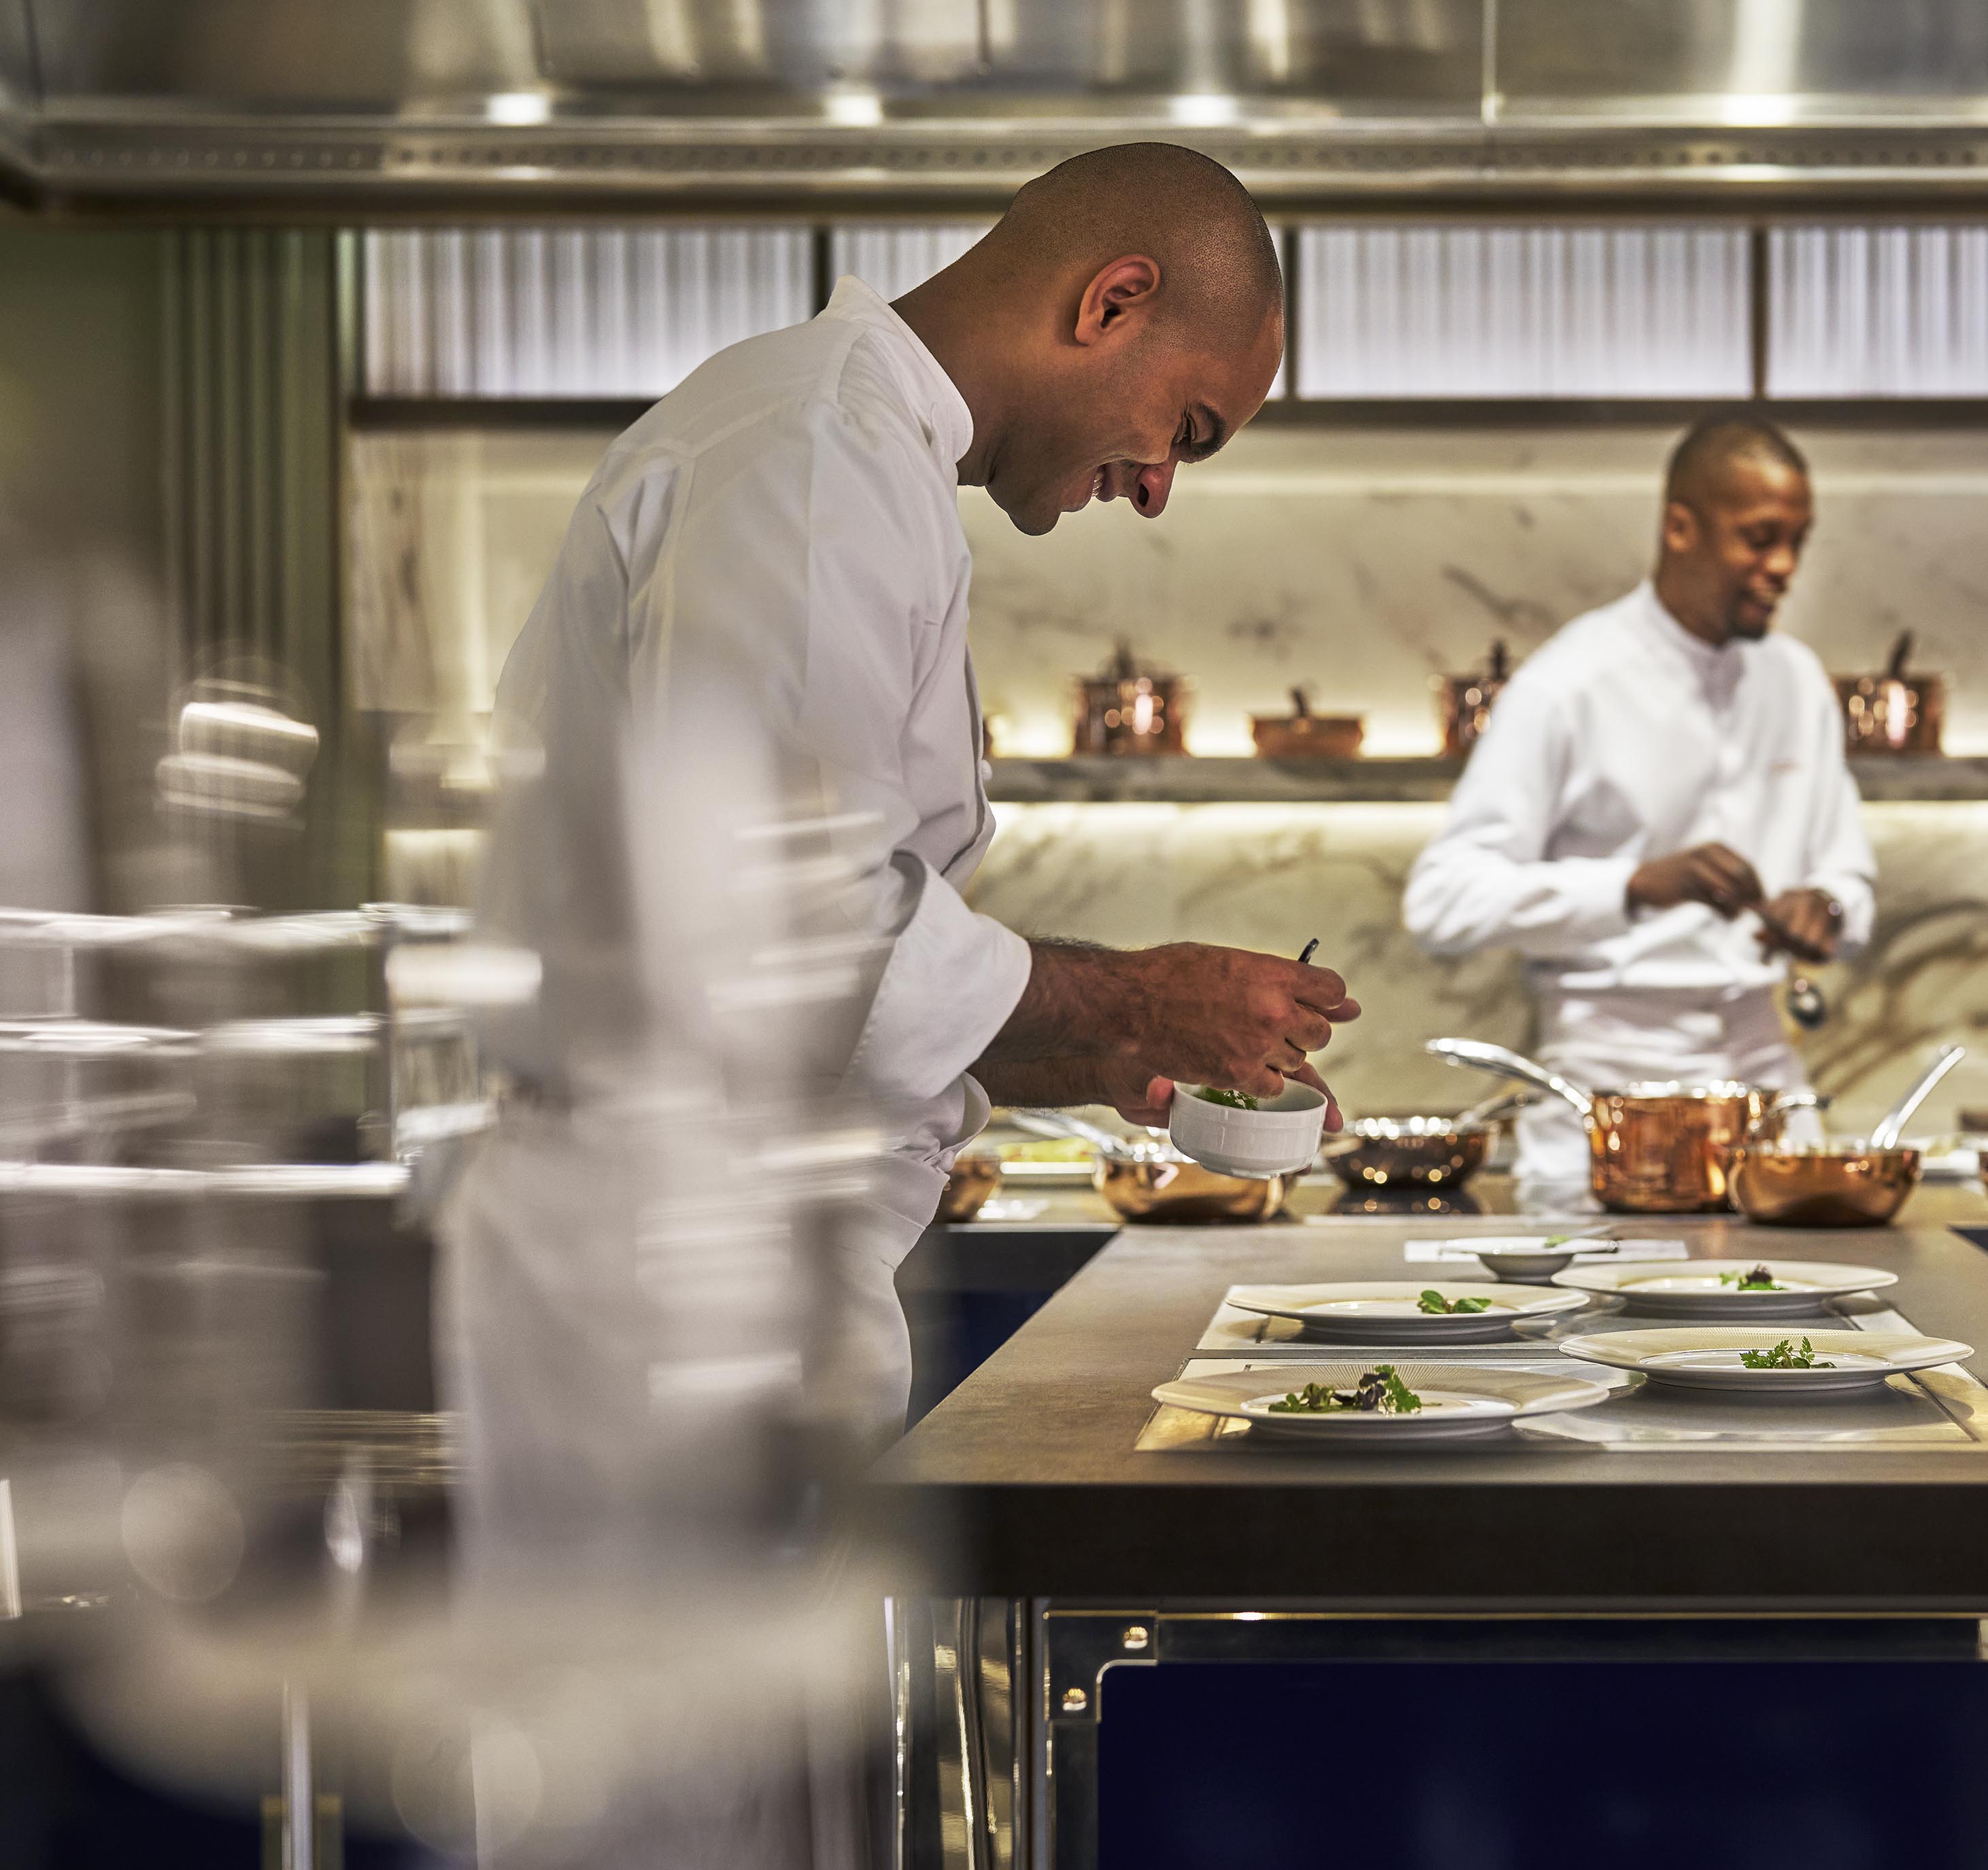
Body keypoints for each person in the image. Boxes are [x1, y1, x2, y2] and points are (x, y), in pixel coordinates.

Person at [439, 143, 1355, 1584]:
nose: (1161, 487)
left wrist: (1094, 1061)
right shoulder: (817, 453)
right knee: (678, 1795)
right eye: (1187, 426)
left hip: (728, 1298)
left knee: (770, 1796)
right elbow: (792, 931)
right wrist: (1135, 1001)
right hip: (677, 1320)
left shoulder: (858, 450)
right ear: (1111, 300)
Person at [1403, 417, 1875, 1191]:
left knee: (1801, 1308)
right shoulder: (1569, 683)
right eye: (1759, 539)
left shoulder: (1798, 683)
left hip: (1766, 1074)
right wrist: (1632, 884)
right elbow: (1441, 899)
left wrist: (1827, 906)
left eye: (1797, 540)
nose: (1784, 566)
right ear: (1679, 527)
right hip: (1610, 1082)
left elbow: (1849, 876)